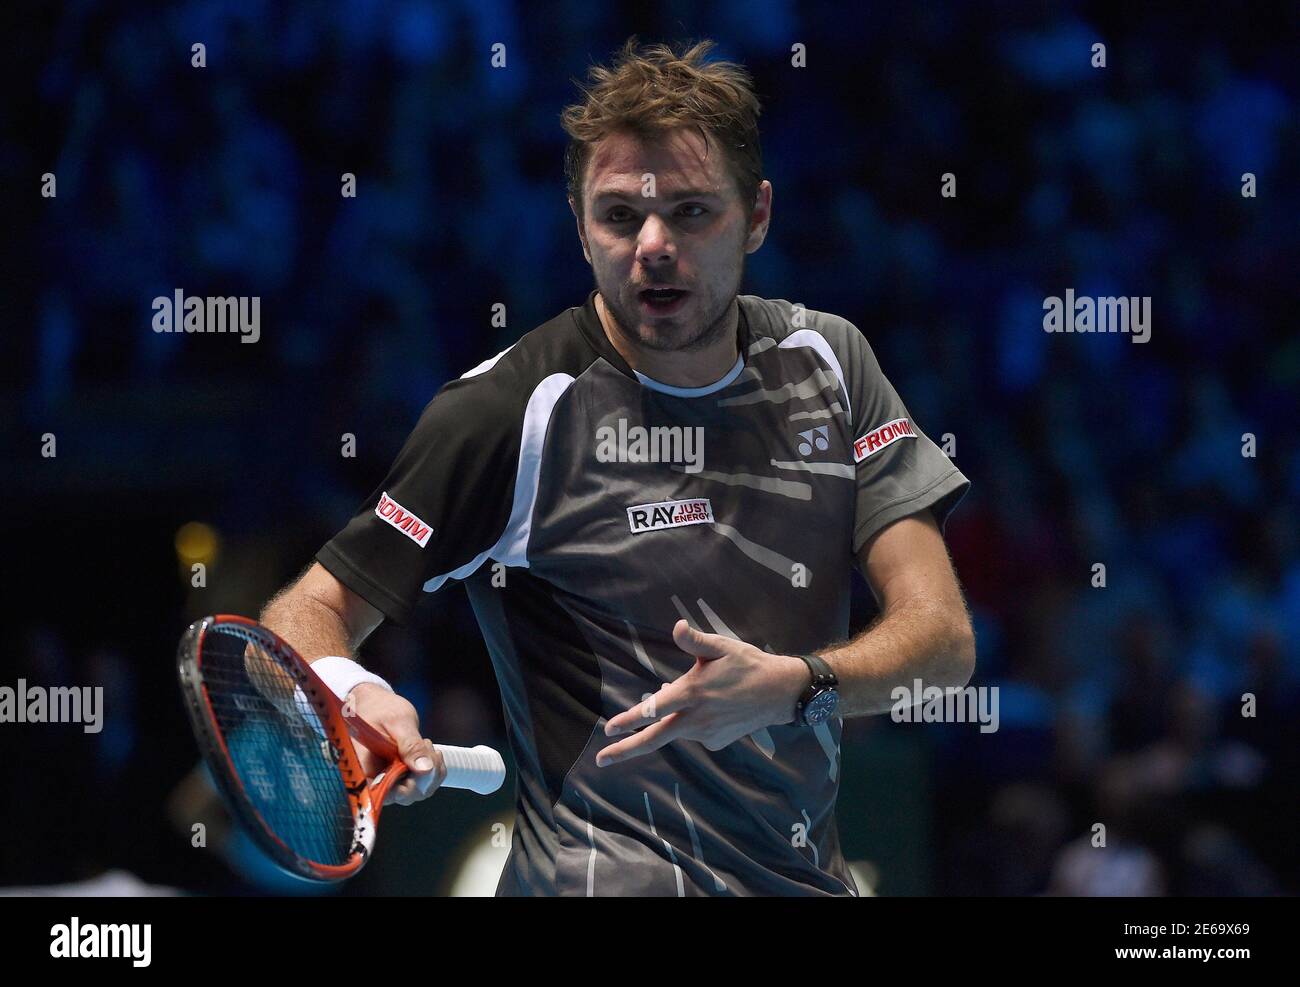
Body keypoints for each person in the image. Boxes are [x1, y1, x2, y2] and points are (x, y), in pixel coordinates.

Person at [261, 38, 975, 896]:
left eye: (692, 212)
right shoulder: (511, 411)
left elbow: (943, 641)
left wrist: (797, 686)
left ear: (757, 215)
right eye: (619, 216)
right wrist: (355, 688)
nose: (654, 245)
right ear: (578, 225)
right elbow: (309, 609)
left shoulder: (830, 364)